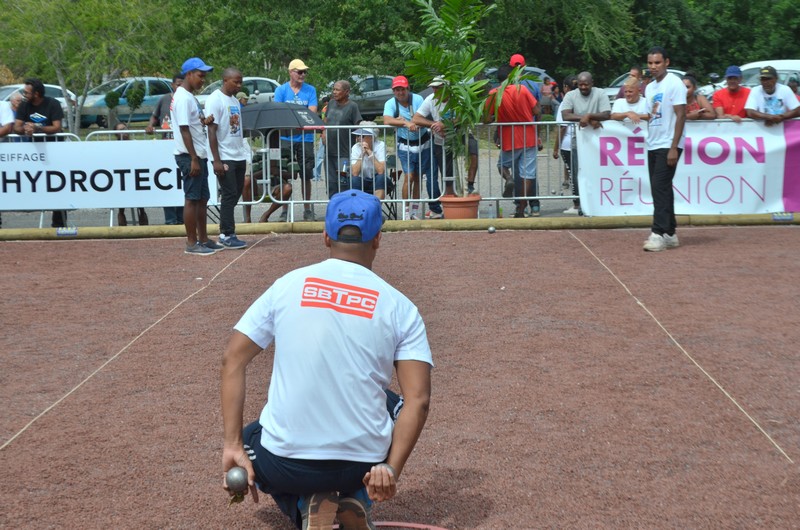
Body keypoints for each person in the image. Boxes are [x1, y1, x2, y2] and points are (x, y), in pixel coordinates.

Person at [221, 189, 433, 530]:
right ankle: (357, 496)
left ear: (325, 237)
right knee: (397, 403)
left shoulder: (286, 286)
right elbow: (419, 400)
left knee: (249, 436)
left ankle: (302, 505)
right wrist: (390, 469)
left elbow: (232, 360)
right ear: (378, 238)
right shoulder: (401, 307)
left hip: (286, 463)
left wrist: (232, 445)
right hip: (363, 464)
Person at [171, 57, 222, 256]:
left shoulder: (187, 96)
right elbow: (184, 130)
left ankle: (202, 239)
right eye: (200, 76)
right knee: (192, 199)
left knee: (201, 199)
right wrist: (193, 158)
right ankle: (192, 243)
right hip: (189, 156)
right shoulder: (183, 97)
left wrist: (204, 121)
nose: (203, 80)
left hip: (197, 154)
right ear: (189, 74)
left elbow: (191, 124)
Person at [413, 76, 480, 214]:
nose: (435, 89)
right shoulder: (430, 98)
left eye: (438, 87)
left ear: (446, 88)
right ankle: (452, 206)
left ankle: (470, 184)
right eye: (434, 87)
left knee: (473, 150)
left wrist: (447, 124)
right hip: (441, 138)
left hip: (461, 132)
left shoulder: (457, 97)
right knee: (447, 171)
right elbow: (416, 118)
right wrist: (434, 125)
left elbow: (465, 115)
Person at [643, 46, 686, 252]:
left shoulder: (675, 83)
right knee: (661, 188)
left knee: (659, 188)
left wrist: (674, 147)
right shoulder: (650, 87)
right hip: (653, 142)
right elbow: (650, 114)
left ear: (666, 62)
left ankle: (658, 233)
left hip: (668, 144)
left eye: (657, 63)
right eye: (650, 63)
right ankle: (670, 232)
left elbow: (681, 114)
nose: (653, 67)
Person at [484, 64, 541, 218]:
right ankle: (521, 210)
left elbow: (487, 119)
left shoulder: (494, 94)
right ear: (512, 77)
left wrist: (500, 115)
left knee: (502, 166)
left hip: (509, 138)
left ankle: (509, 178)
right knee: (527, 175)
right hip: (529, 136)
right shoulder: (522, 89)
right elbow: (537, 110)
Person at [14, 78, 67, 227]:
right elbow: (16, 128)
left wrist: (37, 128)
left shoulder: (53, 104)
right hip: (33, 152)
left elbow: (57, 127)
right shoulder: (24, 105)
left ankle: (59, 222)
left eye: (27, 92)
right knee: (34, 182)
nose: (24, 94)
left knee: (57, 184)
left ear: (36, 93)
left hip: (54, 149)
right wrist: (26, 128)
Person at [206, 67, 249, 249]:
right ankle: (226, 233)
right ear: (225, 80)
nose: (239, 85)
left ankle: (228, 231)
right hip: (224, 156)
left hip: (238, 154)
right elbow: (212, 130)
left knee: (235, 194)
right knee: (229, 194)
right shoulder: (214, 100)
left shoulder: (234, 100)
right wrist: (217, 160)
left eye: (240, 82)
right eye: (235, 82)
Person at [559, 71, 611, 215]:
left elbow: (607, 114)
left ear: (592, 83)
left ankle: (599, 204)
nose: (583, 87)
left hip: (600, 141)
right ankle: (582, 204)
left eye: (586, 84)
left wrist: (588, 116)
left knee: (598, 172)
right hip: (579, 141)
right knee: (578, 173)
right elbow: (565, 115)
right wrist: (589, 118)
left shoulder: (600, 93)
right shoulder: (571, 95)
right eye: (580, 84)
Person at [274, 59, 318, 221]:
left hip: (305, 138)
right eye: (299, 72)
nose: (303, 74)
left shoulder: (310, 90)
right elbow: (279, 114)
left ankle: (307, 209)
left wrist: (294, 118)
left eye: (304, 72)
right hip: (285, 138)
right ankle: (284, 209)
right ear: (290, 72)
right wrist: (299, 117)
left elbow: (312, 113)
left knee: (306, 174)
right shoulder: (281, 90)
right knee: (284, 174)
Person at [383, 75, 432, 220]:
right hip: (405, 144)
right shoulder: (390, 103)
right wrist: (405, 123)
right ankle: (405, 211)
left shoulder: (417, 99)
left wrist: (410, 121)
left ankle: (415, 212)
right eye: (397, 90)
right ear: (393, 91)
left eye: (402, 89)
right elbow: (386, 120)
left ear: (408, 88)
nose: (400, 92)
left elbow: (422, 117)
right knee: (408, 176)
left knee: (417, 177)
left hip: (423, 142)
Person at [146, 74, 185, 225]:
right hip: (165, 147)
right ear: (172, 85)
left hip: (182, 146)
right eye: (178, 84)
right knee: (167, 183)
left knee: (182, 184)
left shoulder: (188, 99)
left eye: (183, 84)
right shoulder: (164, 99)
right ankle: (170, 219)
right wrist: (150, 126)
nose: (180, 87)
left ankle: (182, 218)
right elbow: (154, 117)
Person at [323, 80, 362, 198]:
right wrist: (323, 132)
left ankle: (345, 209)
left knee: (343, 182)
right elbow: (326, 120)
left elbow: (358, 125)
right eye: (333, 89)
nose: (334, 92)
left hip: (344, 153)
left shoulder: (352, 106)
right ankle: (332, 208)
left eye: (337, 90)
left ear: (346, 92)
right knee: (331, 183)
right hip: (329, 152)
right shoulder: (330, 103)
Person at [114, 123, 149, 226]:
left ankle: (142, 212)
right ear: (116, 134)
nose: (124, 131)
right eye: (120, 130)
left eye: (125, 128)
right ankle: (121, 213)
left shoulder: (136, 143)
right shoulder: (113, 146)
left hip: (136, 175)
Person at [349, 122, 388, 199]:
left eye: (362, 136)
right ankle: (358, 209)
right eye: (357, 135)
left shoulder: (381, 145)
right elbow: (355, 172)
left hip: (378, 180)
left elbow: (381, 171)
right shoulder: (355, 147)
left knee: (381, 177)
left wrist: (369, 151)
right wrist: (362, 153)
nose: (358, 138)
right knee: (354, 179)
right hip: (363, 180)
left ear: (372, 137)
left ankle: (375, 207)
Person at [553, 75, 577, 192]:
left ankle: (577, 202)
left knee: (572, 170)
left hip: (568, 143)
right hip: (582, 142)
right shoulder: (583, 100)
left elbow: (562, 128)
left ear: (566, 87)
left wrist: (555, 148)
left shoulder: (565, 103)